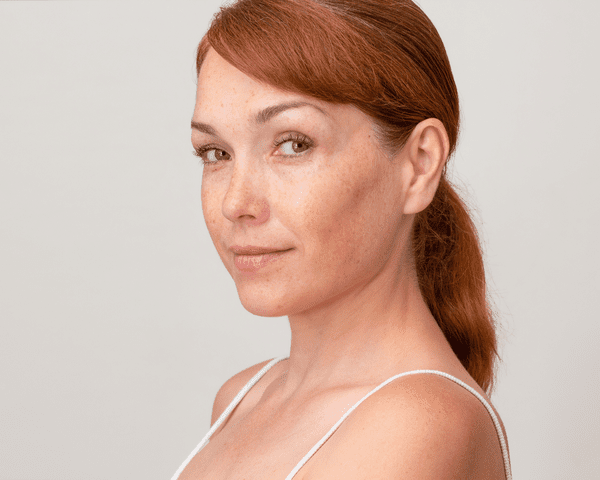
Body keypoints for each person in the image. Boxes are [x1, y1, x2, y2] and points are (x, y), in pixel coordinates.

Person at [174, 0, 512, 478]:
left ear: (418, 165)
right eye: (215, 152)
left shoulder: (416, 424)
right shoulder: (241, 398)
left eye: (293, 143)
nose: (236, 203)